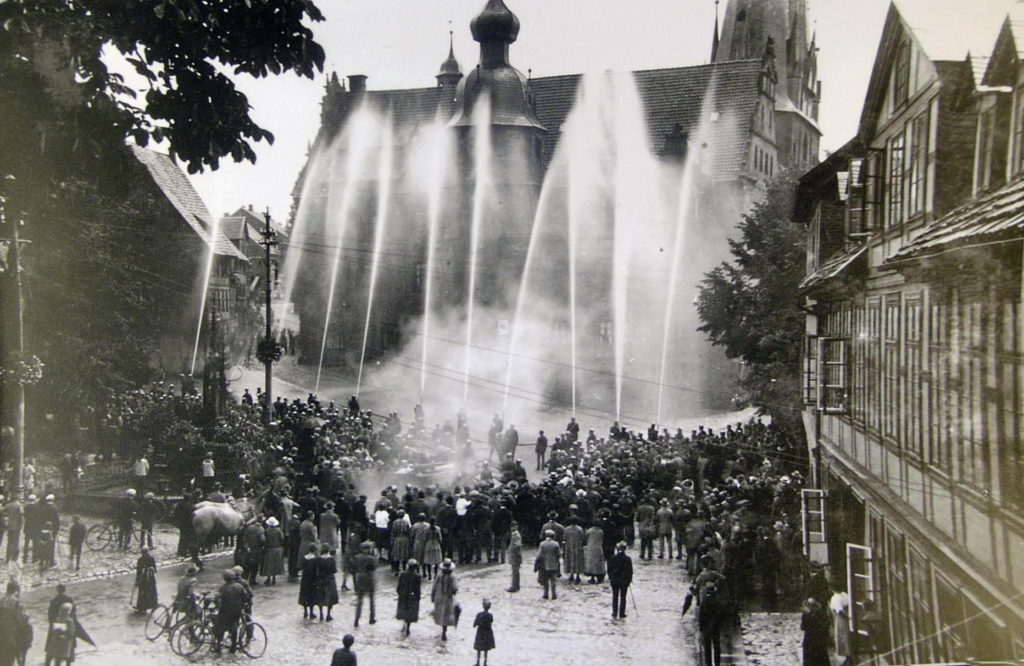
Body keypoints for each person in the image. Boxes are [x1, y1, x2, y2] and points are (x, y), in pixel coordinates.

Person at [213, 569, 249, 655]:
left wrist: (217, 605)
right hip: (236, 610)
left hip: (224, 611)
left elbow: (217, 599)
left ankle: (218, 645)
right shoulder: (239, 586)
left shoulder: (222, 588)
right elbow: (246, 597)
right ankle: (233, 646)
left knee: (220, 627)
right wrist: (243, 604)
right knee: (234, 627)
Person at [0, 581, 32, 666]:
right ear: (15, 590)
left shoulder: (1, 600)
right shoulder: (16, 602)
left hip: (2, 634)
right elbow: (20, 620)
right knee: (12, 658)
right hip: (12, 635)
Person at [697, 579, 727, 666]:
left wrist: (701, 627)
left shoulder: (705, 601)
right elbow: (722, 614)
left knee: (707, 647)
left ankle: (709, 663)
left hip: (706, 628)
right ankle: (717, 663)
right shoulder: (718, 601)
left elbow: (701, 616)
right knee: (717, 645)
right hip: (716, 627)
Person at [431, 559, 459, 641]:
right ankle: (444, 631)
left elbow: (434, 586)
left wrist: (432, 596)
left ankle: (442, 629)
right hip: (447, 598)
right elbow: (455, 588)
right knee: (446, 615)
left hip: (439, 597)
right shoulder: (452, 576)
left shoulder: (439, 575)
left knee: (440, 613)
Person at [352, 541, 377, 627]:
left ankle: (356, 619)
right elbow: (374, 567)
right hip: (369, 577)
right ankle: (372, 618)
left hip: (360, 578)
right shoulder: (371, 558)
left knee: (359, 600)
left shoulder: (357, 557)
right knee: (371, 599)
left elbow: (354, 568)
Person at [395, 559, 422, 636]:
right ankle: (408, 627)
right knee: (410, 612)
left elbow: (399, 586)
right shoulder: (417, 576)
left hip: (403, 595)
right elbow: (418, 589)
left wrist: (399, 592)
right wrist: (418, 597)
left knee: (404, 611)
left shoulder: (402, 574)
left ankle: (404, 624)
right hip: (412, 596)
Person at [801, 597, 830, 666]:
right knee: (821, 655)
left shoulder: (805, 615)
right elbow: (826, 625)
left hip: (809, 638)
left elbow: (802, 627)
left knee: (809, 657)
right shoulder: (821, 614)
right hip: (819, 638)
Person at [607, 541, 633, 619]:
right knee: (623, 597)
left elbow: (609, 569)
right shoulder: (628, 559)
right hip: (624, 581)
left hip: (615, 580)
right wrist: (629, 580)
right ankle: (622, 613)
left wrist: (611, 577)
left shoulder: (613, 558)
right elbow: (630, 571)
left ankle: (614, 612)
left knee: (615, 596)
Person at [534, 529, 561, 600]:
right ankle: (554, 594)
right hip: (554, 564)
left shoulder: (542, 544)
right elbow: (559, 554)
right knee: (553, 580)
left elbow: (539, 555)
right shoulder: (556, 544)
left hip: (544, 565)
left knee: (545, 580)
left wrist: (536, 564)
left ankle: (546, 594)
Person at [317, 543, 339, 621]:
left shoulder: (319, 559)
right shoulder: (331, 559)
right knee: (329, 598)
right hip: (329, 580)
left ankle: (321, 614)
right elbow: (334, 570)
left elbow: (317, 570)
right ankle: (328, 614)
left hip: (321, 580)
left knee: (321, 597)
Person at [134, 546, 159, 614]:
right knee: (149, 592)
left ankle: (143, 606)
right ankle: (151, 605)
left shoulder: (140, 559)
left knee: (143, 592)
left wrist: (137, 580)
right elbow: (155, 569)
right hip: (149, 578)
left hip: (144, 578)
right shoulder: (151, 558)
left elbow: (138, 571)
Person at [299, 543, 320, 619]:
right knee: (312, 596)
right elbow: (317, 570)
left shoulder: (304, 558)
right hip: (312, 580)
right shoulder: (315, 559)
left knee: (304, 595)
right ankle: (311, 612)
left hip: (305, 579)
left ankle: (305, 612)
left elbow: (301, 567)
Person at [262, 516, 285, 585]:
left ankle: (268, 578)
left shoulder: (266, 531)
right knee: (275, 564)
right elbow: (282, 539)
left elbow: (264, 540)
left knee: (269, 564)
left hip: (269, 549)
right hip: (277, 549)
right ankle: (274, 579)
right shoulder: (278, 530)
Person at [472, 598, 495, 666]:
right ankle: (485, 662)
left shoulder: (479, 614)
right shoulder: (490, 615)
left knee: (479, 648)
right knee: (486, 649)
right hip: (487, 633)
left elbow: (474, 624)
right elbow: (491, 622)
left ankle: (478, 662)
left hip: (480, 633)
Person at [563, 518, 585, 584]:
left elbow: (564, 538)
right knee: (577, 560)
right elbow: (582, 537)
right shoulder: (579, 529)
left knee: (570, 560)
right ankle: (577, 575)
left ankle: (571, 574)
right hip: (577, 546)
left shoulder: (566, 529)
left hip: (569, 546)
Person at [506, 523, 522, 592]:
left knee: (515, 572)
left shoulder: (516, 535)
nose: (512, 528)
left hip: (515, 555)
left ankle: (514, 586)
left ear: (516, 527)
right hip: (515, 555)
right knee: (515, 571)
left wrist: (513, 551)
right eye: (511, 527)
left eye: (513, 527)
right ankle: (516, 585)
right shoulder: (514, 534)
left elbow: (517, 545)